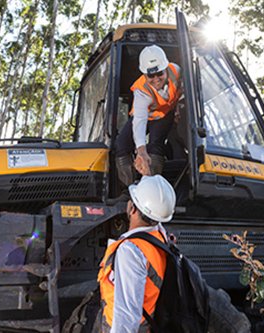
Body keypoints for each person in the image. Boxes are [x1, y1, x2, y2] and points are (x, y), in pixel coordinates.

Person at [98, 175, 176, 332]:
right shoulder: (160, 236)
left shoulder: (131, 251)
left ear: (132, 208)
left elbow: (127, 315)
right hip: (147, 317)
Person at [115, 44, 182, 186]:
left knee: (155, 145)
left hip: (164, 115)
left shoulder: (176, 71)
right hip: (147, 116)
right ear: (145, 75)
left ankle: (153, 186)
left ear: (166, 69)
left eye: (160, 74)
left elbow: (186, 89)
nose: (156, 79)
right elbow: (140, 120)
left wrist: (179, 107)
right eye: (151, 75)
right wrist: (141, 151)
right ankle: (129, 189)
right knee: (121, 144)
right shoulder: (141, 90)